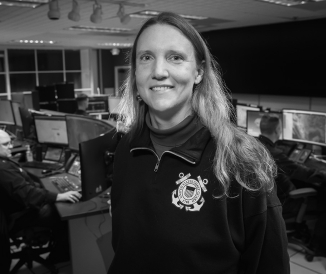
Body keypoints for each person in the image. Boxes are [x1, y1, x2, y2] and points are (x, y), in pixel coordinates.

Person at [108, 12, 289, 274]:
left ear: (199, 72)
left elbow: (270, 265)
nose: (159, 71)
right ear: (136, 75)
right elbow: (124, 248)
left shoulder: (240, 159)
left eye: (176, 57)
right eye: (146, 58)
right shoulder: (126, 148)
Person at [0, 129, 81, 273]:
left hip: (13, 211)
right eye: (6, 144)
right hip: (17, 216)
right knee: (61, 213)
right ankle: (60, 256)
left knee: (55, 203)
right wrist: (59, 196)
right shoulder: (3, 168)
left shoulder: (4, 162)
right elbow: (29, 195)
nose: (11, 146)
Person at [258, 114, 326, 255]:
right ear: (278, 130)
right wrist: (322, 173)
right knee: (322, 198)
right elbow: (305, 173)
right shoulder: (275, 153)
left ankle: (302, 232)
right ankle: (317, 245)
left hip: (262, 199)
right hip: (284, 201)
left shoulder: (253, 146)